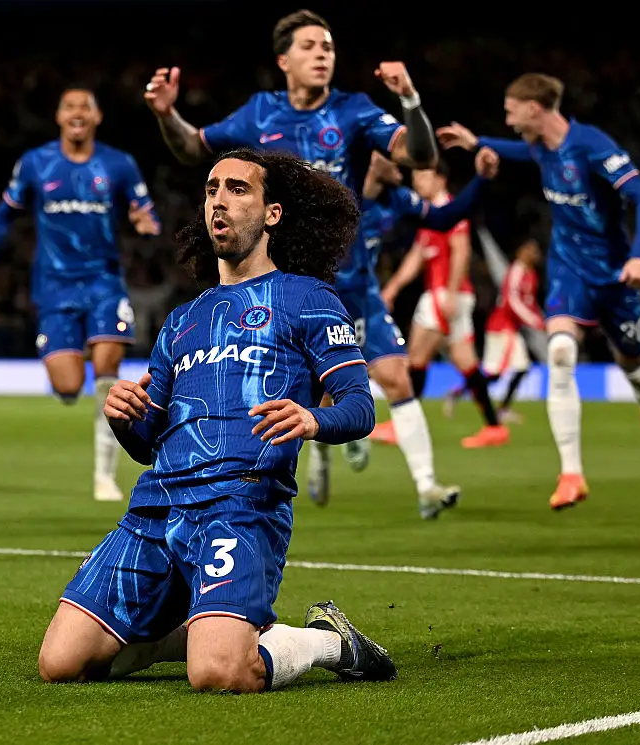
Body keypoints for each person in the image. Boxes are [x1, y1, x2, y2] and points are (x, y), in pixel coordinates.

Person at [38, 149, 398, 693]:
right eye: (211, 190)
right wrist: (123, 417)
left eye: (237, 189)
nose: (218, 202)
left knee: (220, 673)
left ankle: (334, 644)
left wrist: (313, 418)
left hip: (241, 505)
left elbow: (359, 405)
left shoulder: (309, 298)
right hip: (158, 506)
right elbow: (146, 442)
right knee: (60, 663)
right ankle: (199, 628)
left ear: (271, 213)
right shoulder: (184, 320)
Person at [144, 8, 440, 504]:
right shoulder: (260, 112)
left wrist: (409, 98)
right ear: (283, 60)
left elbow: (422, 155)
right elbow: (194, 149)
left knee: (392, 373)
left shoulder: (355, 110)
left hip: (350, 276)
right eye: (309, 47)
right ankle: (258, 472)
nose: (322, 55)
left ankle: (427, 487)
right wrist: (165, 113)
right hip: (282, 282)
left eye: (327, 47)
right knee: (271, 389)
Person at [436, 73, 640, 509]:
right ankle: (572, 474)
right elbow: (516, 150)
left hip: (616, 275)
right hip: (568, 270)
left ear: (534, 109)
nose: (508, 121)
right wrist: (475, 142)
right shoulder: (540, 148)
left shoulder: (592, 145)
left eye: (511, 111)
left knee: (635, 367)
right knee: (561, 354)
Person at [0, 86, 161, 502]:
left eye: (86, 106)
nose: (77, 112)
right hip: (55, 288)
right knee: (67, 386)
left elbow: (144, 208)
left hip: (103, 283)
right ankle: (70, 354)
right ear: (59, 117)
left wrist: (144, 219)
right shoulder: (36, 163)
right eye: (69, 106)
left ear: (97, 118)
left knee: (107, 372)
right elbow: (6, 213)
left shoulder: (119, 165)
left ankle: (104, 476)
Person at [335, 149, 500, 519]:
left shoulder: (398, 200)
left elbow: (445, 218)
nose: (402, 167)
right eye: (391, 158)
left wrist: (481, 179)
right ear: (369, 160)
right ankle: (324, 454)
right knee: (318, 392)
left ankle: (426, 486)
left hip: (368, 301)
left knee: (399, 379)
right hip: (325, 302)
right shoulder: (333, 192)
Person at [378, 160, 510, 449]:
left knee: (415, 358)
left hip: (444, 295)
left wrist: (448, 292)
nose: (417, 183)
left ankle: (403, 425)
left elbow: (462, 251)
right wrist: (393, 288)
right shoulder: (431, 215)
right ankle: (494, 427)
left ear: (440, 178)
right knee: (467, 363)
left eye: (422, 175)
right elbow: (417, 256)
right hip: (449, 295)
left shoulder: (452, 211)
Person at [443, 239, 544, 424]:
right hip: (501, 327)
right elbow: (512, 301)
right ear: (521, 252)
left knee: (517, 369)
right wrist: (536, 321)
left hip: (510, 328)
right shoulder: (516, 271)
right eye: (531, 250)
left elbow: (529, 303)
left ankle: (498, 407)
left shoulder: (531, 274)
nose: (535, 255)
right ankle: (460, 394)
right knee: (497, 372)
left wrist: (540, 318)